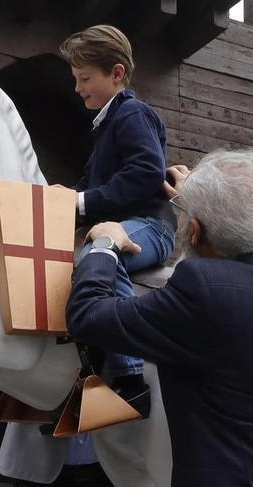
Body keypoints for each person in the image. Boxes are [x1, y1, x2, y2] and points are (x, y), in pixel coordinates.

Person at [65, 148, 253, 486]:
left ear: (196, 232)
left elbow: (89, 315)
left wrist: (103, 246)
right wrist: (204, 201)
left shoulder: (205, 292)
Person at [60, 24, 176, 414]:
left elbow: (146, 172)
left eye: (84, 78)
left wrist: (80, 204)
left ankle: (130, 377)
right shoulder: (106, 125)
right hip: (124, 220)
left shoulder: (132, 114)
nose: (77, 88)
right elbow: (88, 183)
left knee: (106, 253)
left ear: (117, 74)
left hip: (151, 226)